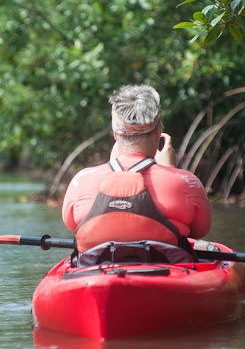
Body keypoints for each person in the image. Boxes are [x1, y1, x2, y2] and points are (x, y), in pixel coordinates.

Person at [62, 84, 212, 256]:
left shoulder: (81, 180)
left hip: (94, 274)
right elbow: (200, 230)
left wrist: (115, 167)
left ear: (116, 135)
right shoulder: (186, 181)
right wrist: (168, 169)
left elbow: (73, 226)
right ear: (158, 131)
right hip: (164, 272)